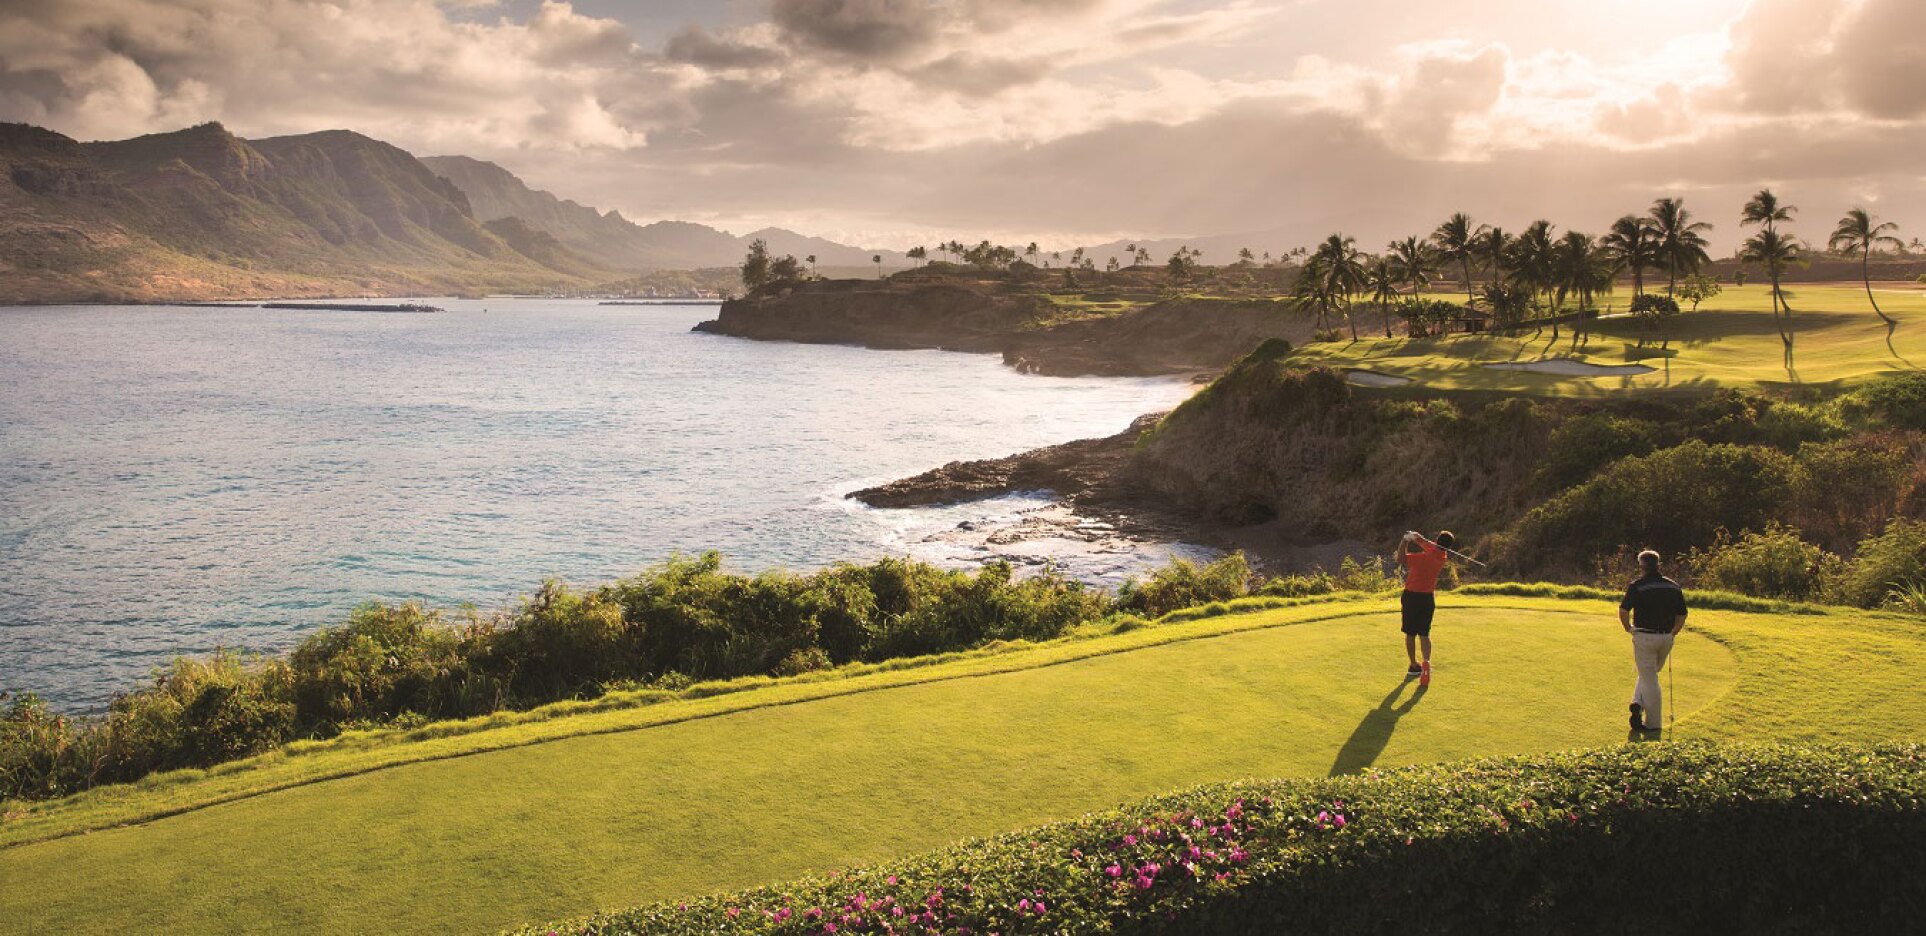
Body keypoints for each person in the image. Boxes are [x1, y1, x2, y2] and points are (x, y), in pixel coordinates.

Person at [1620, 549, 1687, 733]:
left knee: (1649, 678)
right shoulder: (1673, 586)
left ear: (1642, 566)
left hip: (1644, 636)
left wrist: (1628, 628)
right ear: (1658, 565)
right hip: (1666, 637)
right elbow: (1682, 614)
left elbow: (1624, 610)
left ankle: (1653, 724)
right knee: (1649, 672)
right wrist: (1674, 632)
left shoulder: (1637, 586)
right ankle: (1637, 702)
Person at [1395, 530, 1454, 687]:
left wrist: (1405, 541)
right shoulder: (1442, 556)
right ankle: (1426, 661)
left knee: (1410, 633)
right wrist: (1418, 538)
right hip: (1427, 599)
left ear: (1436, 539)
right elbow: (1430, 546)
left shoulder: (1423, 558)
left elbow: (1401, 559)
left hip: (1411, 597)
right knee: (1424, 634)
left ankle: (1414, 665)